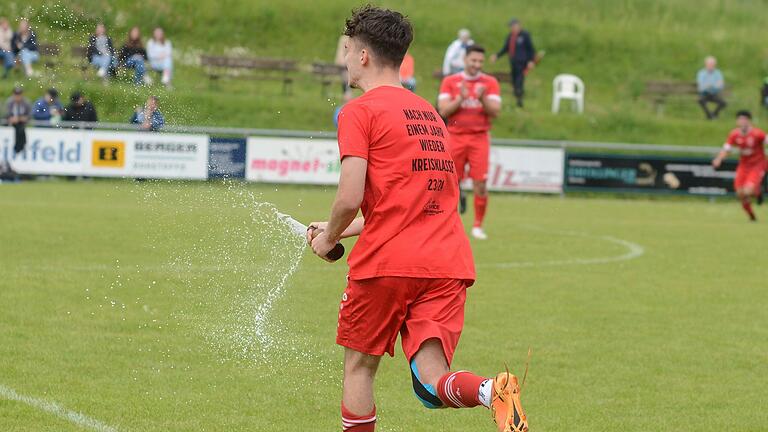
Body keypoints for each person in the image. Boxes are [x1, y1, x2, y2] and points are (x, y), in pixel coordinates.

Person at [306, 6, 527, 432]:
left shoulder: (359, 111)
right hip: (445, 264)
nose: (346, 59)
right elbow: (410, 203)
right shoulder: (429, 114)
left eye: (348, 50)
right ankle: (490, 390)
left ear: (364, 56)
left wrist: (328, 236)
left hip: (387, 266)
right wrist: (336, 228)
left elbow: (351, 195)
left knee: (358, 370)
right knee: (431, 382)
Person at [438, 45, 502, 240]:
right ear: (465, 60)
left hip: (479, 137)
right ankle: (449, 224)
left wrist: (482, 97)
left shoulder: (489, 82)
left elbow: (496, 112)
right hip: (455, 137)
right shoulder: (451, 81)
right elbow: (443, 111)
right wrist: (460, 98)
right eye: (473, 60)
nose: (477, 64)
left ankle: (477, 226)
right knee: (450, 183)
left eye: (480, 61)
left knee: (480, 184)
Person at [712, 110, 766, 221]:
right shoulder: (734, 134)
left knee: (748, 191)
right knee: (740, 194)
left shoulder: (757, 133)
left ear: (749, 121)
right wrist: (718, 159)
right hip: (743, 166)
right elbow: (727, 149)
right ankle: (752, 216)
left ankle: (758, 191)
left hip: (757, 165)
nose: (742, 122)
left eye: (744, 119)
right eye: (740, 119)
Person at [490, 18, 535, 108]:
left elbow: (531, 49)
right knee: (514, 79)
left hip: (522, 62)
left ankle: (519, 98)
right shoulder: (510, 36)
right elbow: (505, 48)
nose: (512, 28)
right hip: (513, 62)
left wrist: (531, 61)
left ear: (518, 25)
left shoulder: (525, 35)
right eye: (511, 26)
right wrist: (497, 56)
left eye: (514, 26)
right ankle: (517, 95)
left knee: (519, 79)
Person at [5, 87, 31, 154]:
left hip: (21, 123)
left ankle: (19, 147)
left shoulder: (26, 103)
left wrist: (21, 118)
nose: (17, 97)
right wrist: (10, 118)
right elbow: (6, 114)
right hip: (11, 123)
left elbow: (29, 115)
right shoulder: (9, 102)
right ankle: (17, 148)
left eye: (19, 95)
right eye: (16, 95)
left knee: (20, 129)